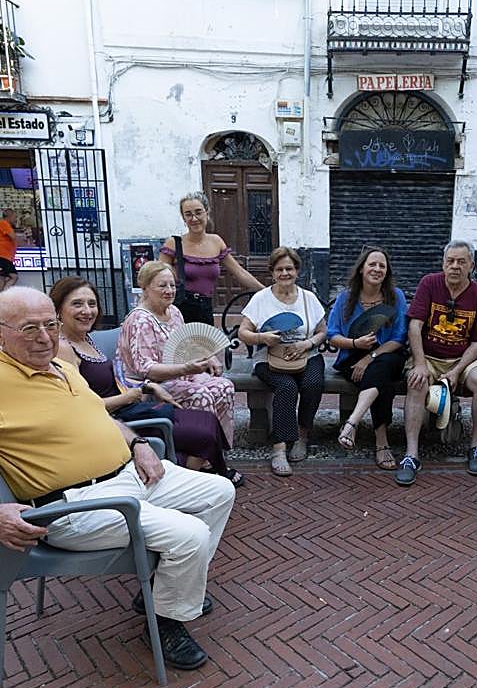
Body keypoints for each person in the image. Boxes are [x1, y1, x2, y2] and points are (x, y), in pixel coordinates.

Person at [0, 287, 235, 670]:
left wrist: (137, 443)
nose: (45, 338)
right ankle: (164, 622)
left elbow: (100, 417)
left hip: (128, 477)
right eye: (29, 328)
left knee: (219, 490)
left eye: (50, 325)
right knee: (190, 535)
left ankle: (163, 589)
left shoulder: (61, 368)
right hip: (76, 506)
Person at [49, 277, 242, 488]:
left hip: (130, 407)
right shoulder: (64, 349)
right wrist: (130, 396)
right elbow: (80, 406)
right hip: (114, 421)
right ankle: (184, 482)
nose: (87, 311)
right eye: (77, 304)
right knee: (203, 433)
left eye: (91, 303)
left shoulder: (86, 338)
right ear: (58, 310)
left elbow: (116, 380)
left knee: (208, 421)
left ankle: (188, 475)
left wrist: (147, 387)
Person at [395, 240, 477, 486]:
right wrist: (419, 364)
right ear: (443, 263)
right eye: (450, 261)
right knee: (417, 381)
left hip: (462, 360)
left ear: (472, 265)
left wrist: (457, 371)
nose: (455, 266)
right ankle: (411, 455)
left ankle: (475, 447)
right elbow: (415, 326)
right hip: (428, 357)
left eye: (461, 261)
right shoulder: (429, 283)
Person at [118, 261, 237, 445]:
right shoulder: (140, 320)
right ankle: (198, 450)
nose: (169, 290)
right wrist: (186, 369)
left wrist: (209, 356)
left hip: (178, 376)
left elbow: (185, 344)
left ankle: (219, 449)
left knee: (224, 387)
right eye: (162, 286)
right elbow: (146, 370)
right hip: (148, 386)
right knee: (200, 394)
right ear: (145, 288)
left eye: (172, 285)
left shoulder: (173, 311)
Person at [237, 247, 328, 477]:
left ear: (297, 271)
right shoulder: (261, 298)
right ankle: (279, 448)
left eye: (289, 268)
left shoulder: (308, 298)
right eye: (279, 269)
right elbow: (243, 332)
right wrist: (262, 338)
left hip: (306, 354)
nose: (285, 273)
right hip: (270, 357)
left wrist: (307, 344)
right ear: (272, 272)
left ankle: (302, 435)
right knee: (286, 387)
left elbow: (322, 331)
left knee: (313, 383)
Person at [326, 246, 409, 470]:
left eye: (382, 265)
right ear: (361, 269)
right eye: (372, 264)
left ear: (387, 272)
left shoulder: (396, 297)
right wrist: (355, 344)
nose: (377, 269)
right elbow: (332, 334)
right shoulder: (345, 298)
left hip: (388, 354)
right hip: (352, 357)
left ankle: (352, 423)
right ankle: (381, 443)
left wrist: (369, 357)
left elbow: (399, 337)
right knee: (383, 381)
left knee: (381, 367)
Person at [159, 191, 264, 325]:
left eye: (198, 212)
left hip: (205, 310)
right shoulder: (173, 243)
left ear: (207, 213)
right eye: (188, 214)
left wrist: (267, 291)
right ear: (184, 218)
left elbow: (239, 272)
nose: (194, 218)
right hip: (177, 311)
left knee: (206, 339)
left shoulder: (216, 242)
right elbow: (156, 278)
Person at [0, 209, 24, 293]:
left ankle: (1, 295)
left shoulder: (5, 225)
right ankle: (3, 295)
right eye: (15, 217)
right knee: (13, 276)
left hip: (4, 256)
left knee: (2, 276)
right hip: (1, 255)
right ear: (9, 216)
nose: (16, 219)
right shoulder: (3, 224)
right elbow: (13, 236)